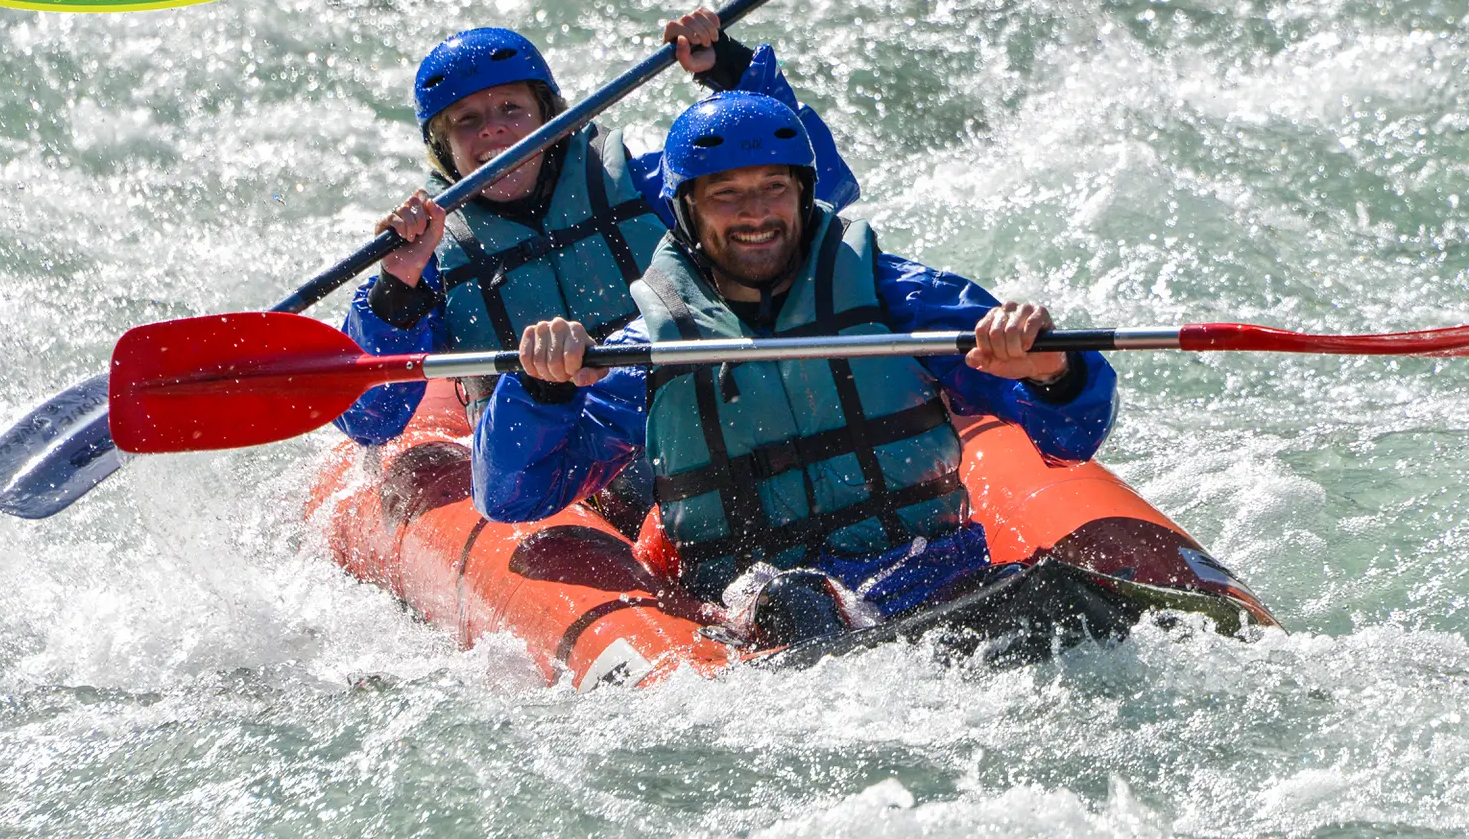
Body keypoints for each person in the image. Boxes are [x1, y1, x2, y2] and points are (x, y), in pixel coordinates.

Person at [470, 91, 1120, 642]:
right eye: (726, 195)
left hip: (928, 581)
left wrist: (1054, 372)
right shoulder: (652, 350)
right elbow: (512, 496)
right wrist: (539, 391)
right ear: (686, 210)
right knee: (795, 605)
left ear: (805, 194)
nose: (755, 213)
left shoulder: (898, 299)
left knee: (1064, 604)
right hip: (754, 615)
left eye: (773, 188)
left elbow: (1073, 437)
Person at [333, 11, 858, 533]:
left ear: (549, 114)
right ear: (442, 149)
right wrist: (395, 289)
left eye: (511, 108)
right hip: (547, 454)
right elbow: (370, 421)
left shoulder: (640, 186)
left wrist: (731, 70)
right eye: (466, 120)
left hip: (674, 410)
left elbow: (816, 189)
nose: (492, 127)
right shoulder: (429, 258)